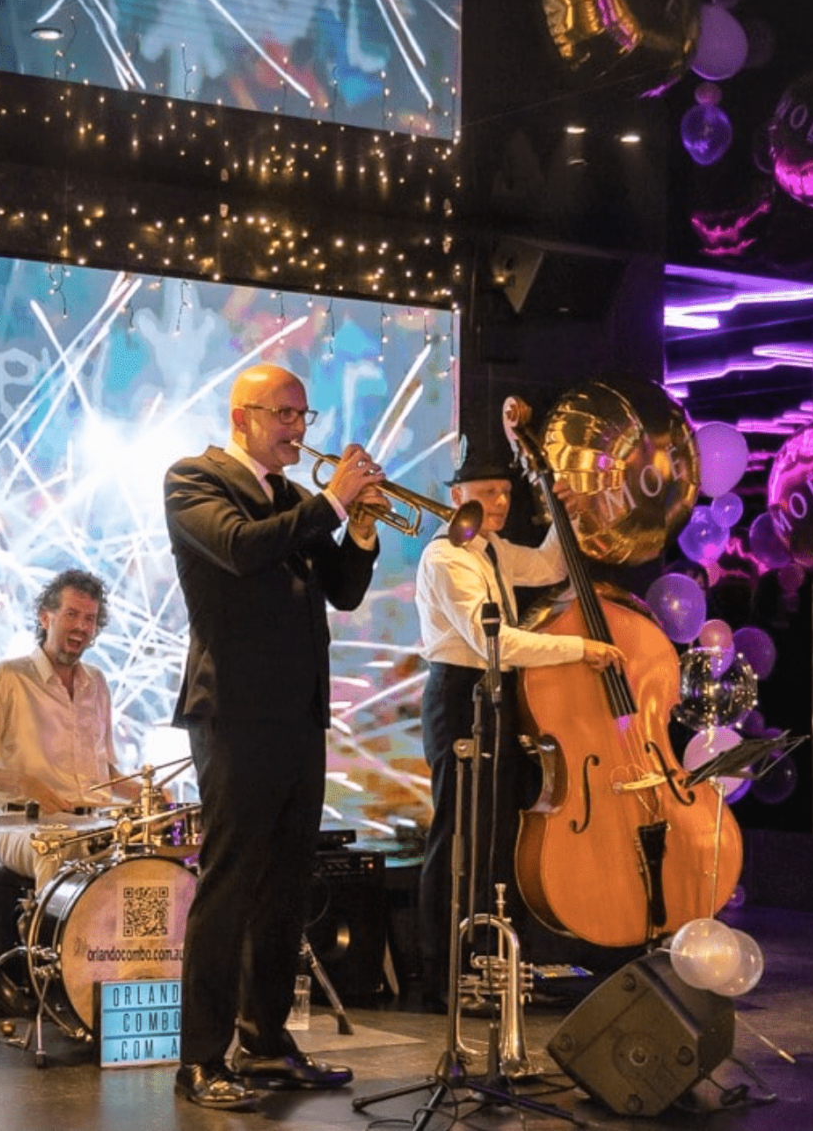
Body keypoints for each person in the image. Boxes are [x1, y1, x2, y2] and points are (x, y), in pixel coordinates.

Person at [163, 363, 383, 1112]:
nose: (298, 428)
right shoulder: (195, 479)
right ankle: (199, 1059)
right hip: (234, 710)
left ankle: (263, 1042)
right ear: (243, 416)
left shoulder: (293, 497)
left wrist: (361, 525)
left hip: (298, 713)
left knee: (287, 883)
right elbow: (241, 549)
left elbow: (344, 591)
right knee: (229, 885)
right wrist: (332, 500)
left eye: (303, 415)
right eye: (285, 415)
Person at [412, 399, 624, 1009]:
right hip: (459, 695)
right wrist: (579, 647)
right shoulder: (446, 556)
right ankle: (440, 973)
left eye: (506, 491)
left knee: (496, 834)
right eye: (487, 491)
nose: (501, 502)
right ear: (458, 497)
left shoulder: (495, 551)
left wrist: (564, 510)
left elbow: (553, 564)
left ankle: (486, 963)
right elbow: (491, 641)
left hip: (494, 698)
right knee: (458, 836)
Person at [0, 568, 126, 887]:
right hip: (26, 829)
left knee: (150, 846)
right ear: (45, 618)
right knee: (53, 843)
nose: (81, 626)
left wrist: (152, 795)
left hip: (94, 824)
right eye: (71, 614)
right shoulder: (7, 678)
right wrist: (24, 784)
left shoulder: (97, 683)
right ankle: (50, 936)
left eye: (89, 619)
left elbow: (107, 773)